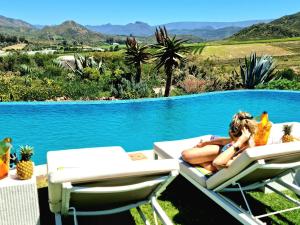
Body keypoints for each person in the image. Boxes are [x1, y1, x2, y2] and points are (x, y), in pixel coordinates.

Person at [181, 112, 257, 172]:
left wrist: (238, 143)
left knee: (185, 154)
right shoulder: (247, 139)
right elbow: (225, 141)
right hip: (223, 150)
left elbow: (217, 164)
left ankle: (201, 159)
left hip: (221, 154)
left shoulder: (246, 151)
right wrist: (205, 143)